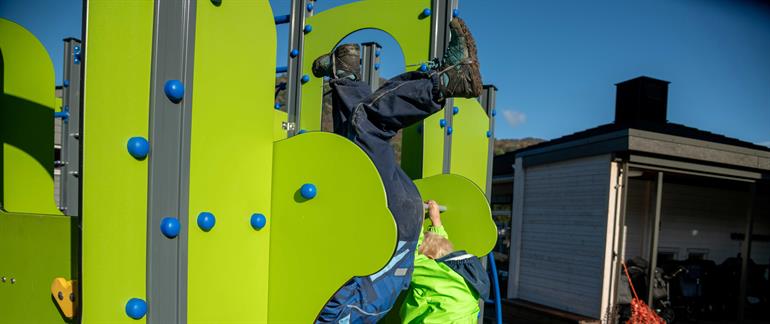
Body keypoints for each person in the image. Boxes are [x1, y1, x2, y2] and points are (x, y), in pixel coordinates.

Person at [313, 18, 483, 324]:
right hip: (388, 226)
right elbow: (329, 292)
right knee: (368, 126)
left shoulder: (465, 301)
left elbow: (435, 259)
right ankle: (441, 82)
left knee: (353, 151)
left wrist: (435, 224)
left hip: (408, 227)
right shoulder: (342, 315)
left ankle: (346, 75)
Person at [400, 200, 490, 323]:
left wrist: (418, 219)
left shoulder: (432, 272)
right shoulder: (463, 271)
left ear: (430, 259)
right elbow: (438, 246)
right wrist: (436, 220)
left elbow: (411, 254)